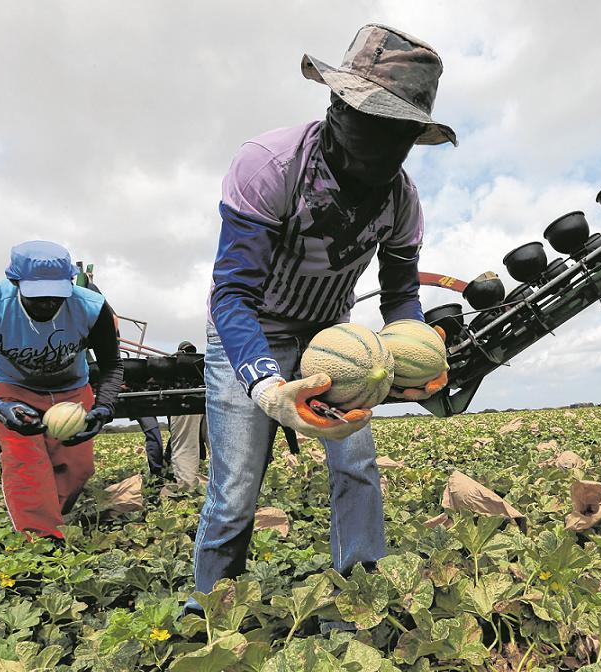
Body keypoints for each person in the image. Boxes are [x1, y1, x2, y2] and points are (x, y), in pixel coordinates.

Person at [191, 24, 454, 620]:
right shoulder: (270, 166)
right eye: (371, 121)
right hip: (250, 328)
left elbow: (400, 301)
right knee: (235, 490)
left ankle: (362, 592)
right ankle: (208, 607)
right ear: (337, 105)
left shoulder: (402, 201)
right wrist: (266, 385)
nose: (384, 146)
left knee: (357, 464)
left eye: (401, 133)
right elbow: (231, 294)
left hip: (334, 337)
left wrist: (409, 357)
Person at [0, 241, 124, 539]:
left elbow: (111, 365)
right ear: (15, 282)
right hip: (9, 388)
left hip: (71, 388)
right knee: (26, 465)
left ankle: (52, 517)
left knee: (78, 467)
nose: (47, 303)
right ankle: (41, 543)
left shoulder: (92, 308)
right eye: (37, 297)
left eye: (56, 296)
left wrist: (104, 408)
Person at [166, 341, 210, 489]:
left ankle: (188, 489)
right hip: (209, 396)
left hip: (184, 399)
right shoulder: (200, 363)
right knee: (219, 446)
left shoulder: (175, 364)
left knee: (185, 446)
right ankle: (227, 487)